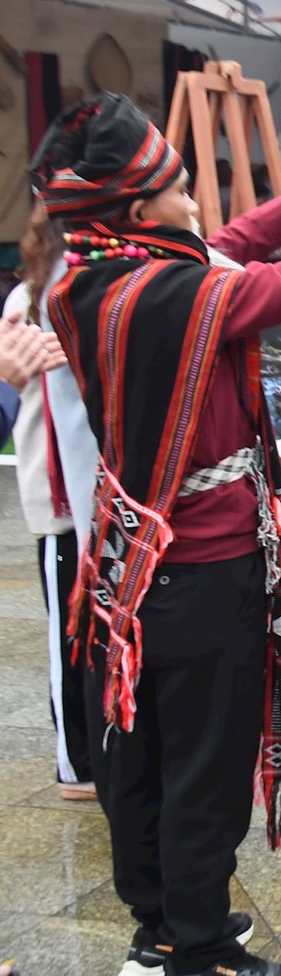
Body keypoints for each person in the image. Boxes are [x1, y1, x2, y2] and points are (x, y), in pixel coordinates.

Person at [36, 95, 281, 976]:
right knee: (206, 763)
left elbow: (226, 253)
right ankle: (200, 969)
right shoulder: (172, 294)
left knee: (147, 751)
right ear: (137, 212)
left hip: (133, 562)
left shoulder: (86, 277)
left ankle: (163, 927)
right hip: (203, 561)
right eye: (175, 183)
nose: (193, 194)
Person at [4, 202, 96, 802]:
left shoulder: (94, 288)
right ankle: (74, 762)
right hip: (60, 501)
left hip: (97, 492)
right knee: (68, 636)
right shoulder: (27, 303)